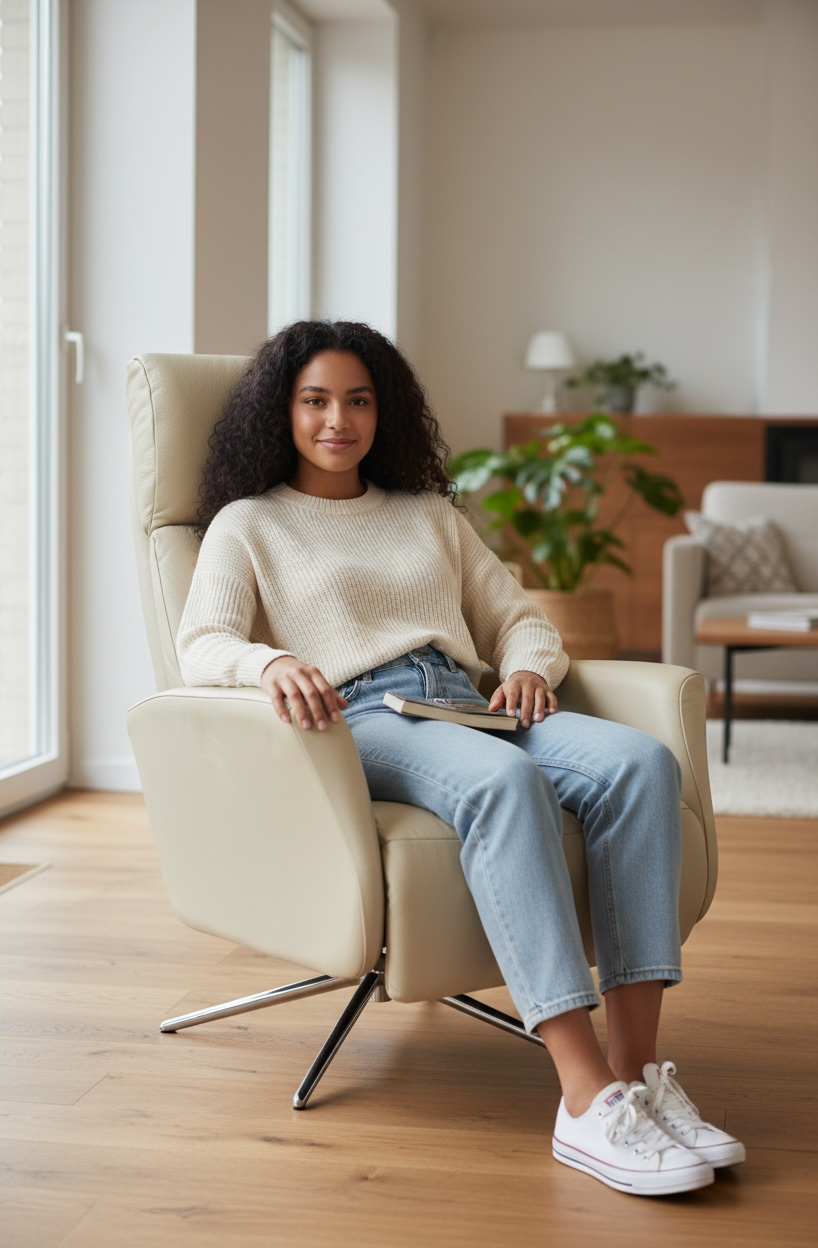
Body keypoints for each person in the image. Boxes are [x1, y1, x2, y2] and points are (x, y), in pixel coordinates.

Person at [177, 319, 745, 1197]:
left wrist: (524, 668)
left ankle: (639, 1082)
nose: (339, 420)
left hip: (468, 700)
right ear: (279, 412)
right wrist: (271, 661)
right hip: (358, 719)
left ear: (384, 410)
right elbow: (203, 644)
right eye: (316, 400)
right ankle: (585, 1099)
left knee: (641, 766)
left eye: (359, 400)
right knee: (506, 784)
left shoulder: (428, 515)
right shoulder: (248, 525)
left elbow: (520, 618)